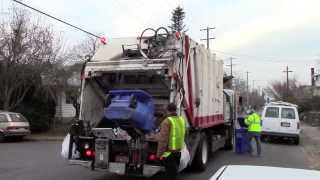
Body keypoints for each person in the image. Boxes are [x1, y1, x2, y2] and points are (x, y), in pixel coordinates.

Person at [156, 103, 186, 180]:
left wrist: (159, 155)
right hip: (178, 152)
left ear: (167, 110)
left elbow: (163, 140)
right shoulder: (182, 120)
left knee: (170, 175)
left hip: (169, 153)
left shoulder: (166, 122)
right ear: (175, 110)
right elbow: (185, 133)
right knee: (174, 174)